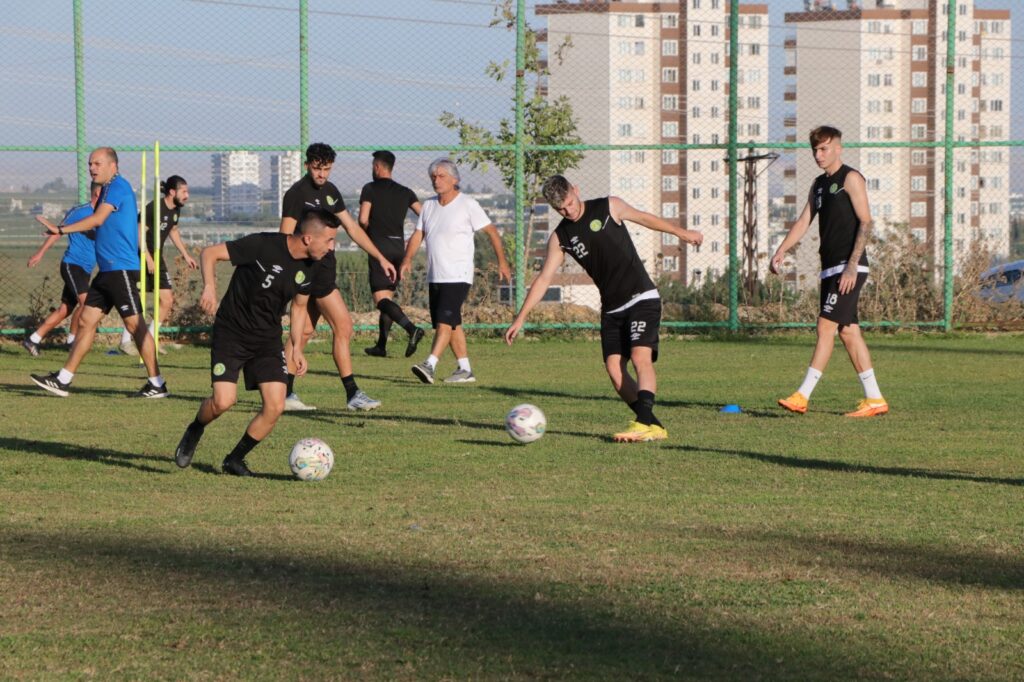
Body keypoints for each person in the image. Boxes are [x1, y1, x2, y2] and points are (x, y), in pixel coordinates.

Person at [504, 175, 703, 442]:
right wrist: (520, 318)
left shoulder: (609, 207)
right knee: (614, 369)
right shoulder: (561, 236)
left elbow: (645, 218)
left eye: (570, 203)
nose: (569, 211)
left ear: (576, 190)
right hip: (611, 308)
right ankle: (654, 426)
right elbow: (544, 279)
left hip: (641, 297)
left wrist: (683, 233)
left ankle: (642, 422)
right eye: (561, 209)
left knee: (640, 357)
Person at [173, 208, 338, 477]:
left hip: (267, 339)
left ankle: (234, 460)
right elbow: (209, 254)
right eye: (329, 240)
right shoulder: (263, 245)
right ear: (308, 239)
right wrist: (210, 287)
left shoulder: (312, 266)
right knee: (223, 402)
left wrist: (296, 347)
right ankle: (195, 428)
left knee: (275, 405)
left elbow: (299, 307)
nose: (332, 248)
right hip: (232, 333)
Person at [770, 125, 888, 418]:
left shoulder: (851, 178)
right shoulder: (818, 185)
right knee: (848, 332)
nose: (818, 155)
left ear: (838, 148)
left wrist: (851, 267)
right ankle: (874, 399)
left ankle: (802, 395)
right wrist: (782, 249)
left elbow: (866, 222)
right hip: (829, 269)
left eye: (824, 149)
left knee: (825, 327)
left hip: (849, 268)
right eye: (815, 150)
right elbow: (803, 222)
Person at [30, 147, 167, 399]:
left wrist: (60, 230)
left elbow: (97, 220)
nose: (92, 168)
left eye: (97, 163)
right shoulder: (106, 189)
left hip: (120, 269)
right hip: (107, 271)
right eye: (90, 163)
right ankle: (63, 380)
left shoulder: (117, 186)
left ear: (113, 166)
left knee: (135, 326)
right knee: (86, 321)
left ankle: (157, 383)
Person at [279, 143, 396, 412]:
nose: (322, 174)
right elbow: (284, 236)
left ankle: (283, 394)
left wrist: (380, 257)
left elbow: (353, 228)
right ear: (308, 165)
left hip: (325, 267)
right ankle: (352, 393)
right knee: (343, 326)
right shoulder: (296, 194)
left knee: (304, 331)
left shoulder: (331, 192)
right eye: (317, 169)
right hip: (310, 270)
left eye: (327, 169)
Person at [402, 158, 511, 385]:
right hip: (436, 275)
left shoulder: (468, 204)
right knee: (452, 323)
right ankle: (464, 369)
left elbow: (492, 232)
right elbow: (418, 235)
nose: (436, 180)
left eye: (441, 176)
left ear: (455, 179)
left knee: (444, 321)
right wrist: (407, 259)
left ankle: (429, 364)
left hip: (458, 275)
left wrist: (502, 262)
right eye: (434, 176)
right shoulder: (429, 206)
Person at [118, 175, 197, 355]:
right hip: (140, 254)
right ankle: (125, 341)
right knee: (138, 299)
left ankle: (151, 340)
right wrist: (147, 258)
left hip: (157, 256)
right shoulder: (155, 208)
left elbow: (173, 230)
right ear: (172, 192)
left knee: (167, 300)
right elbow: (138, 232)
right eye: (184, 191)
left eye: (188, 191)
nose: (187, 195)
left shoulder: (176, 209)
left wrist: (185, 254)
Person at [359, 150, 425, 358]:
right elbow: (425, 215)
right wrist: (416, 236)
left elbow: (362, 219)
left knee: (380, 300)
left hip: (378, 247)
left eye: (373, 166)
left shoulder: (369, 189)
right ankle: (381, 346)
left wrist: (369, 231)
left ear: (377, 167)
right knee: (387, 297)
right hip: (398, 249)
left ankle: (411, 329)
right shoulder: (405, 192)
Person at [22, 181, 101, 355]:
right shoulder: (80, 211)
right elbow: (57, 232)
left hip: (86, 269)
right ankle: (72, 341)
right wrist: (40, 253)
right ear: (97, 193)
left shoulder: (103, 215)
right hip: (73, 265)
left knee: (65, 309)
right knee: (86, 303)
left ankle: (32, 339)